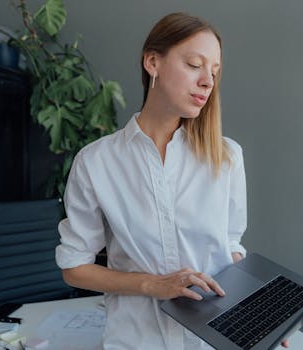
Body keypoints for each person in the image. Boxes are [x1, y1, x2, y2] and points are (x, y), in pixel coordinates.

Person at [55, 12, 290, 349]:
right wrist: (153, 285)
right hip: (136, 341)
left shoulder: (227, 157)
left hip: (212, 342)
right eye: (195, 64)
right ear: (153, 62)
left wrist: (267, 311)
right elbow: (74, 267)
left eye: (214, 71)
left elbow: (229, 250)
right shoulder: (96, 163)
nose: (208, 81)